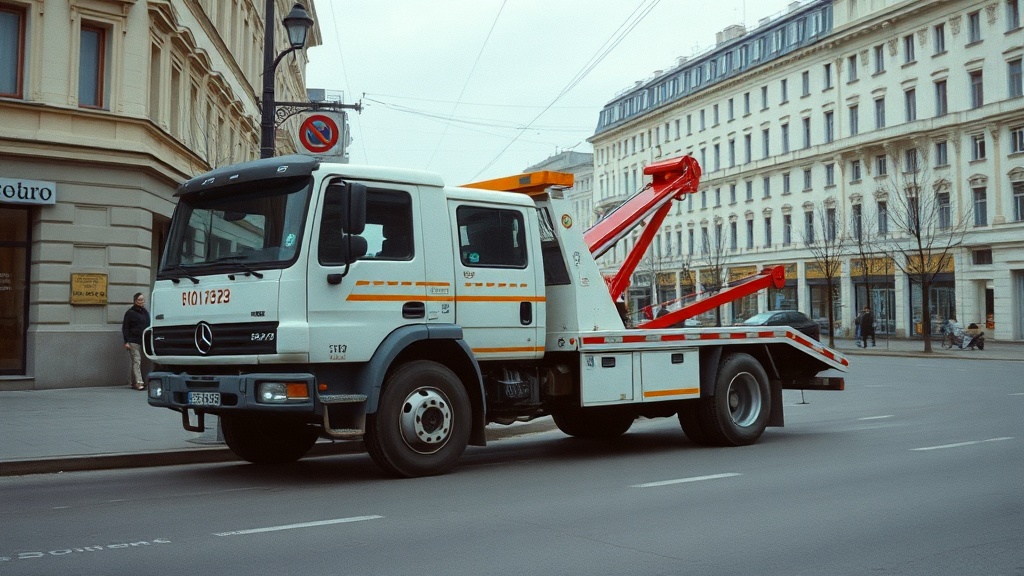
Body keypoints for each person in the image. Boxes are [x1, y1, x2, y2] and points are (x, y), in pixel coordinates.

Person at [122, 292, 150, 390]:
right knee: (137, 360)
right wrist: (126, 342)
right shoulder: (130, 313)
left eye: (143, 299)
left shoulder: (145, 312)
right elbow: (125, 328)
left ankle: (133, 381)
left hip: (143, 340)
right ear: (135, 301)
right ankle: (138, 382)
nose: (142, 301)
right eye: (140, 300)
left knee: (136, 361)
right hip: (133, 340)